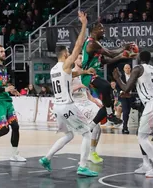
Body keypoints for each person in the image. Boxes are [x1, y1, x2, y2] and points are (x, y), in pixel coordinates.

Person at [38, 12, 98, 177]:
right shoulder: (66, 64)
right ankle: (83, 166)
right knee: (87, 133)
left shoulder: (54, 69)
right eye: (69, 52)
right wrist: (84, 25)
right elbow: (79, 45)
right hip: (67, 105)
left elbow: (70, 75)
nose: (71, 52)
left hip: (57, 107)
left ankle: (46, 158)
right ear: (65, 54)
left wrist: (85, 71)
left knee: (69, 134)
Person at [113, 51, 153, 178]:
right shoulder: (152, 69)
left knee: (142, 137)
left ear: (139, 58)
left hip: (152, 103)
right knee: (140, 134)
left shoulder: (138, 68)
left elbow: (126, 88)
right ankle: (146, 164)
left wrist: (117, 78)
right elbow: (138, 88)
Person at [81, 23, 136, 125]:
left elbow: (105, 61)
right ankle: (110, 115)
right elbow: (110, 53)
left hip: (93, 75)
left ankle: (99, 121)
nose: (104, 31)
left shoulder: (95, 43)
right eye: (101, 29)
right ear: (94, 30)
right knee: (107, 86)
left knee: (108, 94)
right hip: (87, 75)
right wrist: (124, 47)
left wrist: (121, 57)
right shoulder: (92, 44)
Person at [72, 54, 106, 164]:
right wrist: (79, 86)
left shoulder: (85, 73)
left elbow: (87, 93)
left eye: (83, 58)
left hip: (86, 101)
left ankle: (92, 152)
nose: (82, 60)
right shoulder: (71, 73)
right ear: (74, 60)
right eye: (80, 58)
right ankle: (90, 153)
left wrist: (96, 102)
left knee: (98, 128)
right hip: (77, 104)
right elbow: (67, 91)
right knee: (94, 126)